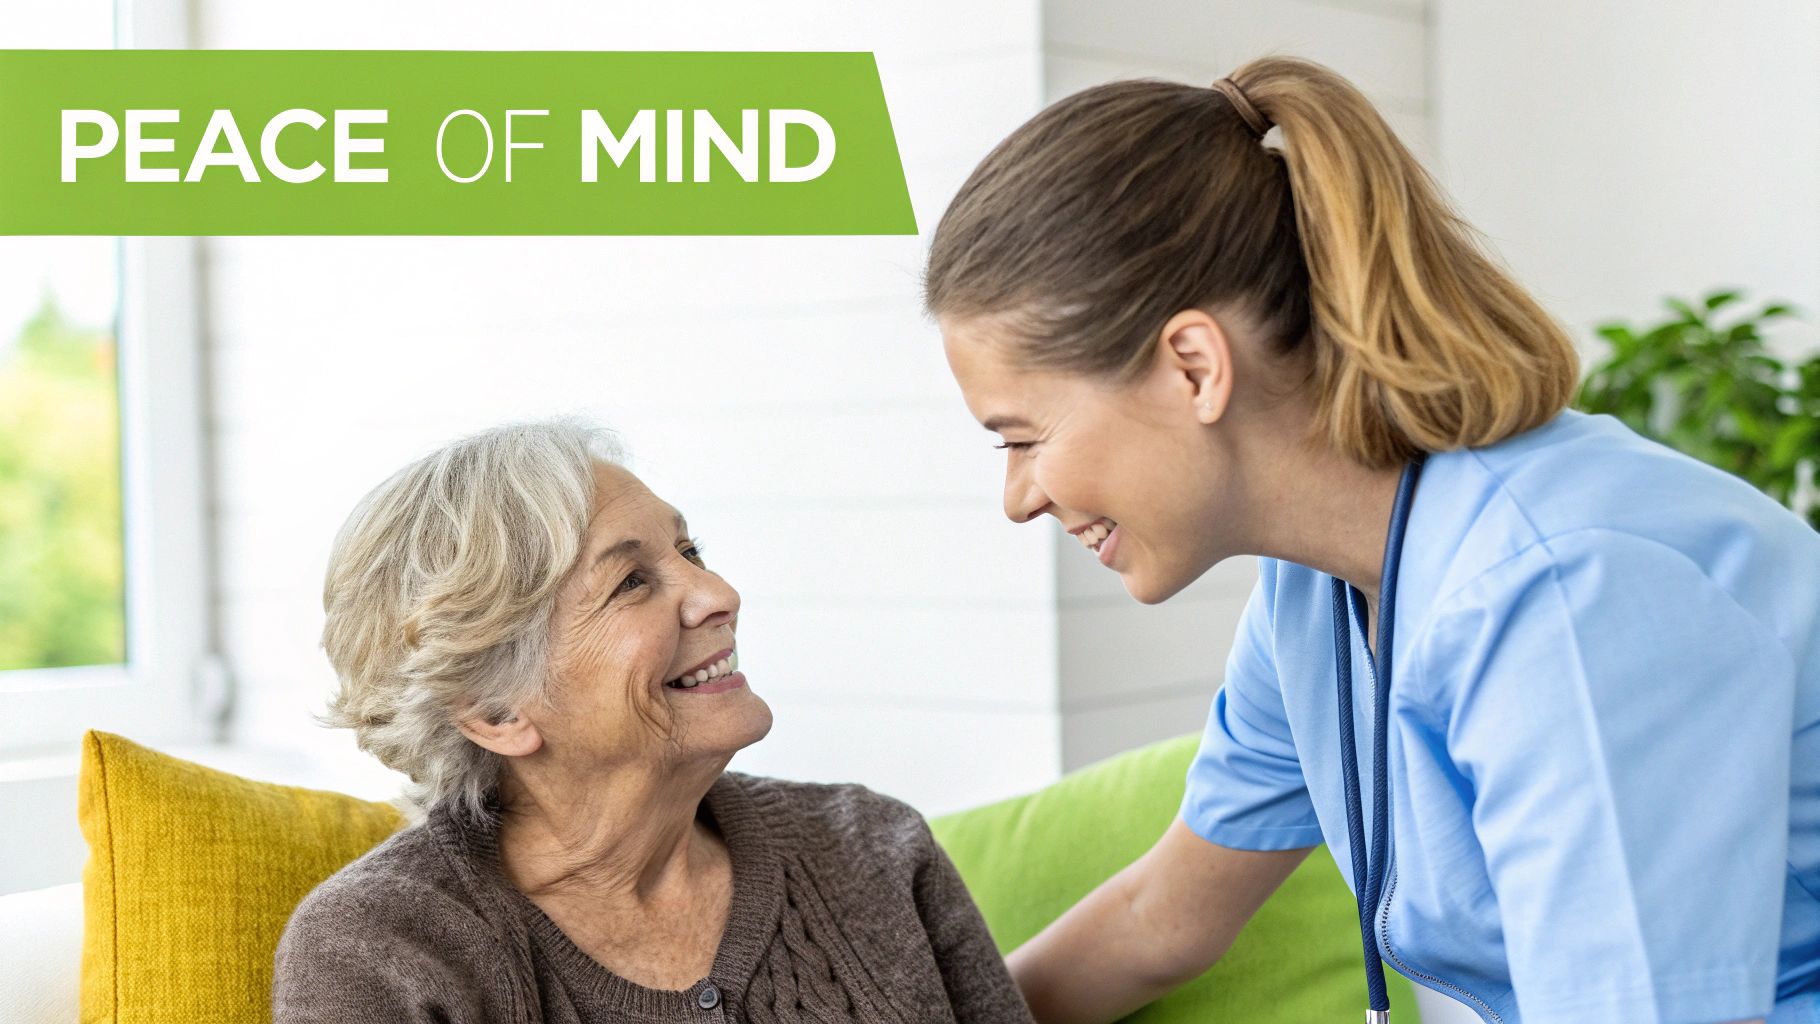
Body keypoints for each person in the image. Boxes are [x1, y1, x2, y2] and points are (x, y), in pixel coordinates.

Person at [924, 55, 1820, 1024]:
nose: (1018, 498)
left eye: (1022, 438)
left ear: (1192, 368)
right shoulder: (1314, 597)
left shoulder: (1567, 592)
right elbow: (1159, 920)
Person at [272, 420, 1034, 1024]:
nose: (718, 593)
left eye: (691, 550)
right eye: (632, 581)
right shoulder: (381, 946)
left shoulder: (872, 849)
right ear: (494, 712)